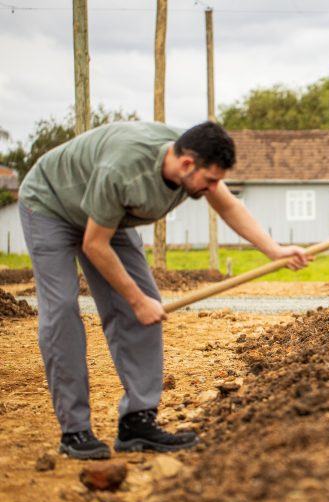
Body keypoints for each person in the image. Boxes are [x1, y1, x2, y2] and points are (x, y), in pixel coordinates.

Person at [18, 121, 312, 460]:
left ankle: (137, 423)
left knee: (144, 309)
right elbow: (95, 245)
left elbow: (229, 207)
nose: (215, 187)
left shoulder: (192, 157)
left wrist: (274, 250)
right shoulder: (124, 170)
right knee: (62, 312)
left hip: (108, 213)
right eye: (211, 180)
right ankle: (74, 431)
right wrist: (136, 300)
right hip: (51, 205)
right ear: (187, 164)